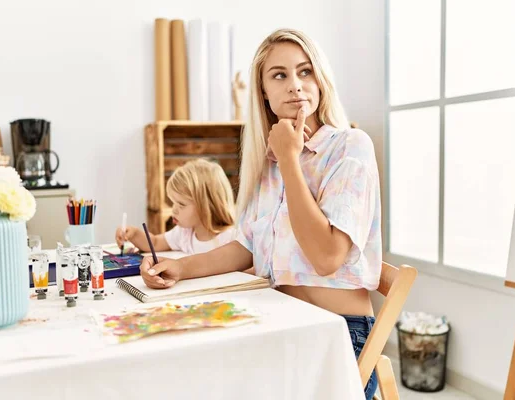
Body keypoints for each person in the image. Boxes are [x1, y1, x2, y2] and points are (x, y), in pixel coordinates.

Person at [139, 29, 381, 399]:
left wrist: (289, 158)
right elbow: (248, 246)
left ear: (321, 79)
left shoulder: (350, 147)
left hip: (339, 334)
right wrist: (181, 267)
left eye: (305, 72)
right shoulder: (267, 163)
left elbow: (327, 257)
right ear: (263, 92)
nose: (296, 86)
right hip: (281, 321)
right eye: (279, 75)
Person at [116, 158, 236, 254]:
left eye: (181, 204)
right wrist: (134, 234)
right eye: (173, 202)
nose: (174, 209)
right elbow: (155, 243)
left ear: (207, 206)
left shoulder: (231, 239)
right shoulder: (184, 234)